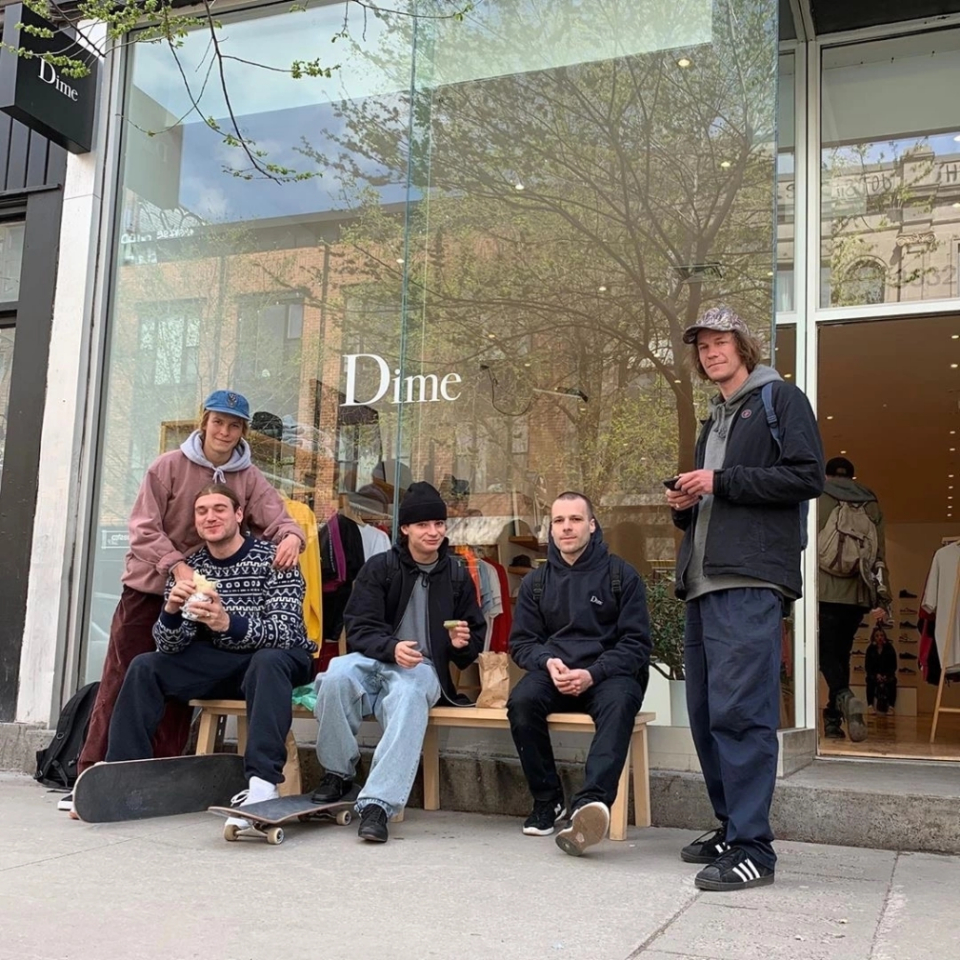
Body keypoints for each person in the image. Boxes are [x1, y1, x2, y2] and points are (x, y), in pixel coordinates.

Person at [75, 390, 304, 798]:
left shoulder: (249, 479)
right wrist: (178, 573)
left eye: (234, 425)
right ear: (204, 423)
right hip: (152, 584)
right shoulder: (167, 466)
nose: (224, 431)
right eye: (218, 422)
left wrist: (292, 537)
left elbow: (278, 520)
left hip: (213, 595)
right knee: (127, 675)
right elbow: (142, 528)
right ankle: (98, 774)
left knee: (187, 686)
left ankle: (165, 775)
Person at [666, 305, 824, 891]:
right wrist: (686, 505)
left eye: (721, 342)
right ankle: (731, 827)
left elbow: (806, 476)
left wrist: (720, 481)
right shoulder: (713, 421)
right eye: (703, 346)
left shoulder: (782, 400)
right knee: (708, 715)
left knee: (742, 714)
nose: (711, 353)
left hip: (750, 580)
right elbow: (718, 503)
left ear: (743, 346)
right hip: (704, 581)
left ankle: (754, 846)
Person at [103, 485, 316, 830]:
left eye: (219, 509)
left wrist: (229, 623)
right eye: (202, 511)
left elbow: (288, 632)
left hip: (277, 663)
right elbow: (169, 646)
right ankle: (124, 775)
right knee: (145, 666)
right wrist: (172, 611)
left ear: (238, 515)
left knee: (268, 660)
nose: (210, 517)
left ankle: (263, 785)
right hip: (221, 664)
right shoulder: (192, 568)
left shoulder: (274, 559)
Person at [311, 481, 484, 843]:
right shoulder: (381, 567)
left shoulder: (456, 575)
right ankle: (338, 773)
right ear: (405, 528)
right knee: (334, 675)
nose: (433, 532)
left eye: (438, 523)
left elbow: (473, 643)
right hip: (374, 658)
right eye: (423, 525)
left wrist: (460, 644)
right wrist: (391, 648)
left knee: (409, 694)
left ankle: (378, 804)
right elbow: (358, 628)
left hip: (423, 668)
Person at [507, 492, 651, 857]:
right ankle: (548, 800)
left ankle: (589, 806)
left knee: (620, 703)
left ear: (592, 525)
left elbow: (636, 645)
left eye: (575, 519)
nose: (567, 527)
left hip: (609, 675)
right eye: (559, 521)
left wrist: (593, 673)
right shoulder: (537, 582)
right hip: (556, 673)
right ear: (551, 529)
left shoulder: (622, 576)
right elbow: (522, 643)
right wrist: (547, 662)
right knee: (522, 701)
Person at [818, 456, 886, 742]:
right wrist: (882, 598)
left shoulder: (818, 497)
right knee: (841, 654)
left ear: (827, 475)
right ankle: (833, 721)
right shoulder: (870, 503)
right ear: (852, 476)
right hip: (857, 594)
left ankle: (843, 697)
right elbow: (879, 556)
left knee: (824, 653)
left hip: (824, 592)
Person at [865, 625, 897, 714]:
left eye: (881, 635)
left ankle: (891, 707)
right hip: (874, 674)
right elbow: (868, 666)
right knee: (870, 681)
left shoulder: (890, 648)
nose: (879, 638)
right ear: (874, 637)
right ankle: (870, 705)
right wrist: (876, 675)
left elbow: (893, 666)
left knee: (892, 682)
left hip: (887, 674)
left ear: (884, 637)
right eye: (877, 636)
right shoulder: (870, 649)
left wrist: (886, 675)